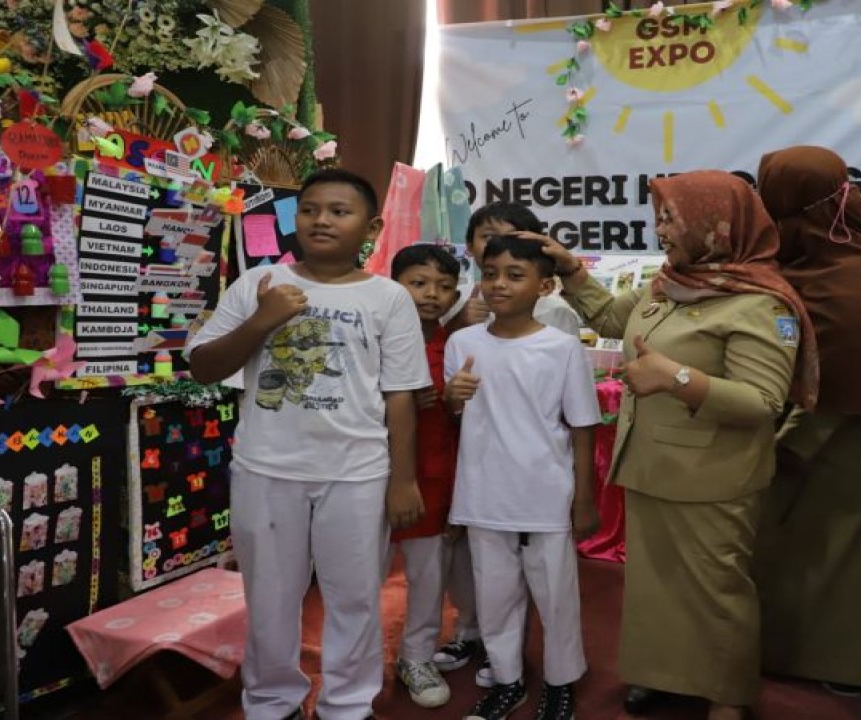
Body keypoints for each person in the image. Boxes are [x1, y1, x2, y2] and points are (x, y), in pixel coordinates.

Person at [542, 170, 819, 720]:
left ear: (715, 224)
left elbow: (764, 402)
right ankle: (665, 676)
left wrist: (676, 379)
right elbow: (610, 318)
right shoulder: (670, 283)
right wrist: (572, 270)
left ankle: (726, 696)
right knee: (656, 588)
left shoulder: (760, 305)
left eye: (671, 217)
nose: (660, 228)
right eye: (659, 216)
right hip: (652, 465)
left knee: (716, 590)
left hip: (713, 477)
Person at [189, 168, 430, 720]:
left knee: (355, 597)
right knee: (270, 598)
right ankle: (272, 701)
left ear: (370, 226)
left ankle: (348, 703)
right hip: (267, 469)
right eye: (312, 209)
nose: (322, 220)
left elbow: (399, 396)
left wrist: (403, 479)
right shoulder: (258, 284)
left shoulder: (389, 297)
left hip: (358, 472)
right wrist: (263, 322)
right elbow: (205, 367)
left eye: (339, 211)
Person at [750, 145, 861, 695]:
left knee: (847, 563)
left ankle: (853, 667)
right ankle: (816, 660)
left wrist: (785, 446)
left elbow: (853, 362)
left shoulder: (853, 281)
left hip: (843, 441)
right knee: (826, 559)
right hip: (836, 439)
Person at [444, 234, 601, 720]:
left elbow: (582, 424)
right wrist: (454, 398)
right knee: (495, 594)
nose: (498, 284)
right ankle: (507, 679)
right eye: (490, 273)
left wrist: (584, 499)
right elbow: (456, 418)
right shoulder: (462, 343)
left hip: (544, 492)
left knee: (555, 595)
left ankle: (560, 683)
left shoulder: (560, 348)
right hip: (484, 490)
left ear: (545, 285)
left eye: (515, 275)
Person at [386, 244, 464, 709]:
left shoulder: (459, 343)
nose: (432, 294)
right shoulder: (372, 335)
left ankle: (417, 656)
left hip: (434, 474)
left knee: (429, 572)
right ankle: (353, 657)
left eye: (444, 285)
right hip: (370, 476)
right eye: (418, 283)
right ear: (393, 283)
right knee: (358, 575)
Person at [460, 201, 581, 336]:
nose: (500, 244)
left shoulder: (557, 312)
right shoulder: (452, 301)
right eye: (490, 237)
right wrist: (458, 323)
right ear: (470, 246)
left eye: (514, 237)